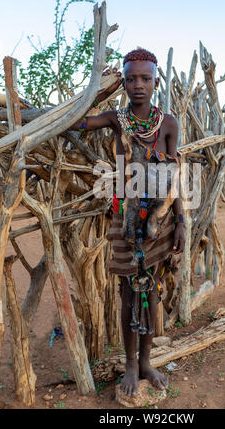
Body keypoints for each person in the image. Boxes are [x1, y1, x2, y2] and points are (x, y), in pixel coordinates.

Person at [69, 48, 185, 396]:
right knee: (127, 294)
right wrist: (95, 91)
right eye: (131, 78)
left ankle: (147, 361)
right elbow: (78, 121)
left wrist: (180, 222)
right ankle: (131, 364)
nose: (138, 85)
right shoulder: (116, 118)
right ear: (123, 81)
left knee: (150, 290)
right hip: (126, 218)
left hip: (159, 221)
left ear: (155, 81)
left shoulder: (168, 123)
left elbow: (174, 175)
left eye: (145, 78)